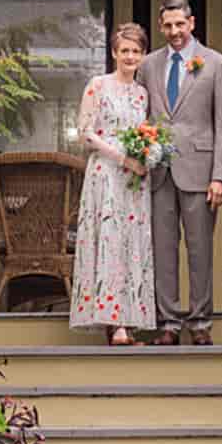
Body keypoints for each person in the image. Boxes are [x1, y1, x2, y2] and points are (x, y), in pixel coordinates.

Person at [141, 0, 222, 346]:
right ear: (161, 26)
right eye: (167, 26)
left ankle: (199, 322)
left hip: (201, 170)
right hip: (159, 171)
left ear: (192, 23)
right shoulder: (149, 65)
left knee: (199, 250)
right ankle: (167, 323)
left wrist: (220, 176)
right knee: (163, 250)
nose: (174, 32)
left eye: (180, 24)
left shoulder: (216, 63)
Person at [69, 23, 158, 345]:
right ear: (114, 53)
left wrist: (147, 154)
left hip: (134, 180)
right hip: (106, 175)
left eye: (136, 51)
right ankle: (113, 323)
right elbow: (85, 133)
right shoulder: (98, 85)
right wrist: (122, 158)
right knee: (108, 241)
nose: (130, 56)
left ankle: (130, 320)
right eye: (125, 51)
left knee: (132, 246)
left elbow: (144, 133)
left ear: (143, 55)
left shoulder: (141, 93)